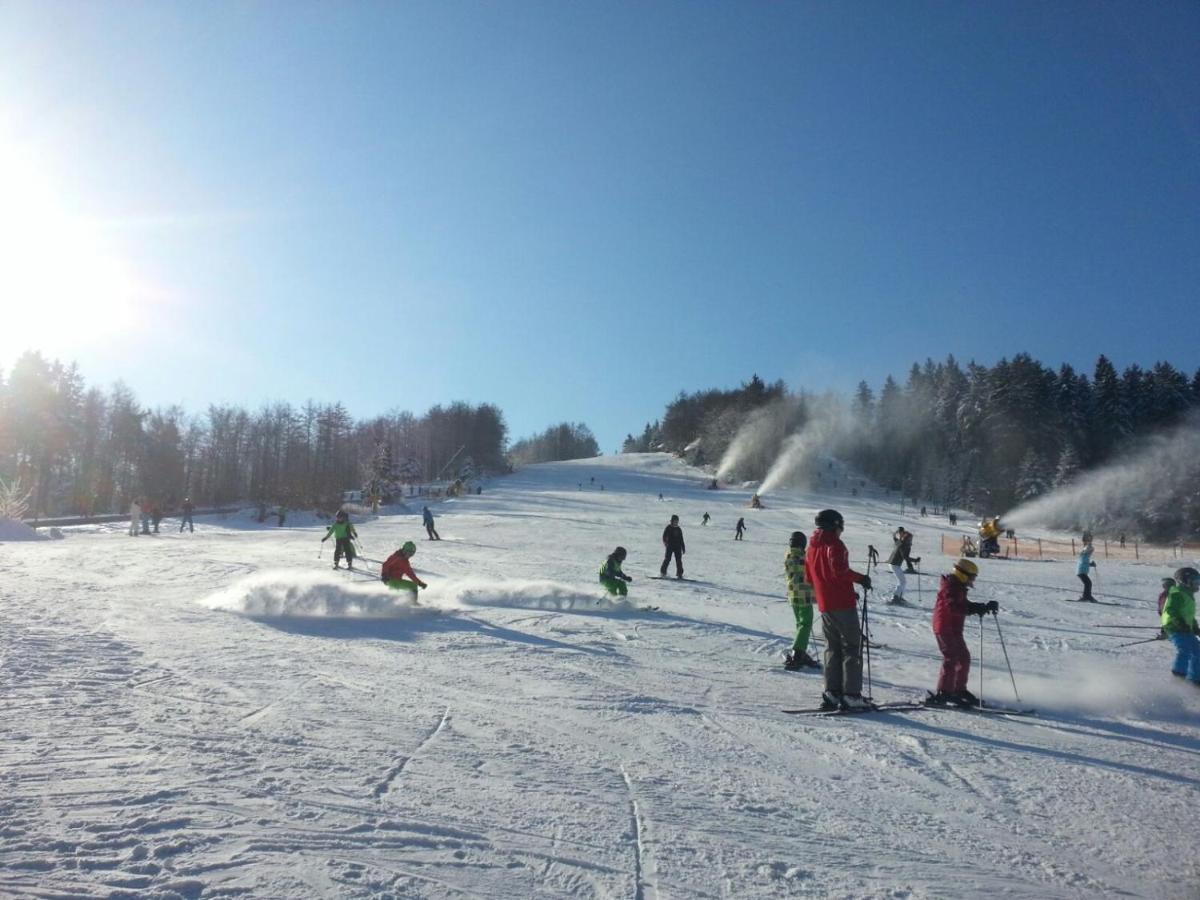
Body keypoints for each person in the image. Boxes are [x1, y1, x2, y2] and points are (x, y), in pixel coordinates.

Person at [806, 509, 872, 710]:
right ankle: (851, 694)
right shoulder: (834, 544)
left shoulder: (812, 547)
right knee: (851, 647)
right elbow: (839, 571)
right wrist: (861, 579)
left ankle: (832, 692)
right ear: (835, 525)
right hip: (842, 604)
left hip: (826, 604)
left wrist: (834, 591)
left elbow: (810, 577)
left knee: (832, 647)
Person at [926, 559, 998, 707]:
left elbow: (963, 605)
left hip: (954, 628)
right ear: (963, 574)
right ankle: (944, 692)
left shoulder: (958, 586)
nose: (973, 580)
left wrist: (982, 607)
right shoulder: (950, 587)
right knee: (951, 657)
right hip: (944, 627)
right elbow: (954, 607)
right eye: (972, 577)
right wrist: (975, 609)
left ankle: (958, 690)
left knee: (963, 657)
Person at [784, 532, 820, 670]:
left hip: (793, 595)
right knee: (805, 623)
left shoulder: (789, 555)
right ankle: (797, 654)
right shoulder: (799, 557)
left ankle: (800, 651)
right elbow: (807, 571)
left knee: (801, 624)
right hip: (803, 595)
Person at [1162, 567, 1199, 685]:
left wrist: (1195, 627)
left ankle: (1195, 679)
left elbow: (1188, 615)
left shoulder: (1188, 595)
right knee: (1185, 649)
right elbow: (1171, 610)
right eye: (1195, 581)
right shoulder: (1177, 593)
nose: (1197, 584)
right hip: (1175, 627)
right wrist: (1179, 623)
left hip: (1185, 629)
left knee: (1197, 652)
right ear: (1185, 581)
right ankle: (1178, 677)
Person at [888, 528, 912, 605]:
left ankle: (899, 596)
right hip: (894, 565)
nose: (911, 540)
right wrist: (915, 560)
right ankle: (895, 597)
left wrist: (896, 533)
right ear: (907, 539)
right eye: (910, 539)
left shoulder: (900, 542)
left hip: (894, 564)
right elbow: (904, 556)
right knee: (902, 581)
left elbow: (894, 538)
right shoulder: (902, 545)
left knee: (903, 582)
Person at [660, 514, 685, 579]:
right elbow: (664, 536)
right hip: (670, 546)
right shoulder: (668, 527)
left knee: (679, 560)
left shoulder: (679, 529)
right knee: (667, 559)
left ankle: (680, 574)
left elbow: (681, 539)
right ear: (672, 521)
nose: (676, 522)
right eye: (675, 521)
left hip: (678, 547)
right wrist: (665, 543)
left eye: (677, 521)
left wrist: (683, 547)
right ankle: (663, 572)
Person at [1076, 534, 1097, 602]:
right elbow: (1083, 562)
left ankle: (1087, 596)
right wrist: (1091, 564)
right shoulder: (1084, 555)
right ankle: (1086, 596)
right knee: (1088, 583)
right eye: (1090, 551)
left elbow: (1085, 563)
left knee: (1088, 583)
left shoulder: (1085, 555)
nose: (1091, 553)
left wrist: (1091, 564)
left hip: (1082, 572)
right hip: (1081, 572)